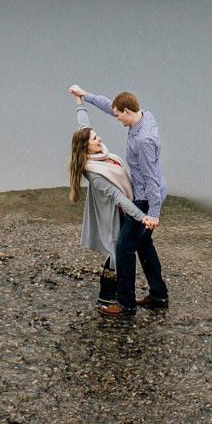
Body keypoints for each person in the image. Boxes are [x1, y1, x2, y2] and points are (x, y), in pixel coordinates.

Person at [70, 85, 168, 315]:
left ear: (126, 111)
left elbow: (151, 179)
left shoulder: (143, 141)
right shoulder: (144, 116)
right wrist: (83, 97)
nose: (115, 119)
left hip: (144, 198)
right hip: (146, 194)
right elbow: (104, 109)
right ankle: (158, 294)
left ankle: (126, 304)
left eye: (117, 115)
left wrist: (152, 213)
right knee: (143, 245)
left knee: (124, 248)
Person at [68, 117, 145, 312]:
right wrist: (141, 216)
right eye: (95, 138)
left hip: (124, 211)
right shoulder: (94, 172)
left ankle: (112, 297)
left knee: (118, 253)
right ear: (87, 147)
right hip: (114, 217)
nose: (100, 139)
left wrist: (80, 100)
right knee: (116, 253)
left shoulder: (100, 156)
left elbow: (84, 127)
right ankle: (111, 299)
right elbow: (118, 197)